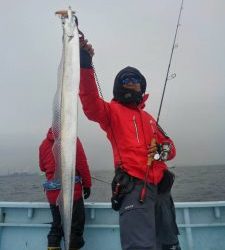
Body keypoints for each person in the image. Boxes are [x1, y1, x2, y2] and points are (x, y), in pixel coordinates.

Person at [78, 36, 181, 250]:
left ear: (141, 86)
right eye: (125, 80)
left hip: (161, 191)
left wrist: (161, 151)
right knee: (140, 246)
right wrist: (85, 64)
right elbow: (89, 103)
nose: (131, 82)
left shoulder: (150, 118)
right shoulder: (110, 112)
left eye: (135, 80)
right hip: (134, 189)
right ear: (119, 86)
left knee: (169, 244)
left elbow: (170, 147)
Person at [39, 128, 92, 250]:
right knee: (76, 227)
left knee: (57, 226)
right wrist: (87, 184)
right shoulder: (72, 140)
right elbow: (81, 164)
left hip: (53, 194)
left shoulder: (43, 144)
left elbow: (42, 167)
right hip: (72, 193)